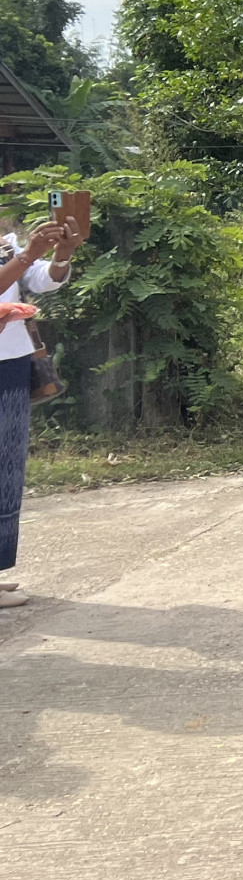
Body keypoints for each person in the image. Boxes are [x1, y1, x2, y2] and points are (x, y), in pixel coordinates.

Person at [0, 208, 83, 609]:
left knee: (7, 465)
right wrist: (29, 252)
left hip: (11, 358)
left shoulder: (5, 242)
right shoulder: (17, 249)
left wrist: (61, 256)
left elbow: (41, 283)